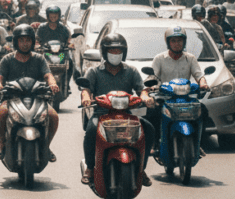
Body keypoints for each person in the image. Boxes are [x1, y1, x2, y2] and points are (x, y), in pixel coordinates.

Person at [80, 33, 155, 188]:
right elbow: (86, 89)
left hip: (127, 115)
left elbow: (142, 90)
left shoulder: (131, 71)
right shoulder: (94, 72)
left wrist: (146, 98)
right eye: (112, 51)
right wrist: (86, 98)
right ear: (104, 52)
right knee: (91, 130)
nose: (115, 54)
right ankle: (89, 167)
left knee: (148, 128)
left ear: (124, 53)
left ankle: (142, 168)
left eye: (118, 51)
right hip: (101, 114)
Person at [0, 24, 59, 161]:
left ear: (33, 42)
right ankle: (2, 144)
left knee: (53, 116)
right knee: (1, 113)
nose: (24, 44)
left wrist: (52, 83)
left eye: (28, 40)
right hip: (12, 99)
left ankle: (46, 146)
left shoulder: (39, 58)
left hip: (38, 98)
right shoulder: (7, 59)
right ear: (16, 42)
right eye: (21, 40)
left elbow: (48, 74)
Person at [143, 26, 209, 160]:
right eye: (173, 41)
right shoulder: (160, 58)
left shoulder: (190, 58)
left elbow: (199, 74)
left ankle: (199, 143)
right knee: (153, 112)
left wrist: (203, 83)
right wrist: (153, 86)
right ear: (168, 42)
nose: (177, 44)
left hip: (185, 97)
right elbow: (153, 77)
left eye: (180, 40)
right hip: (165, 97)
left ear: (184, 42)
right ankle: (155, 143)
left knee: (203, 110)